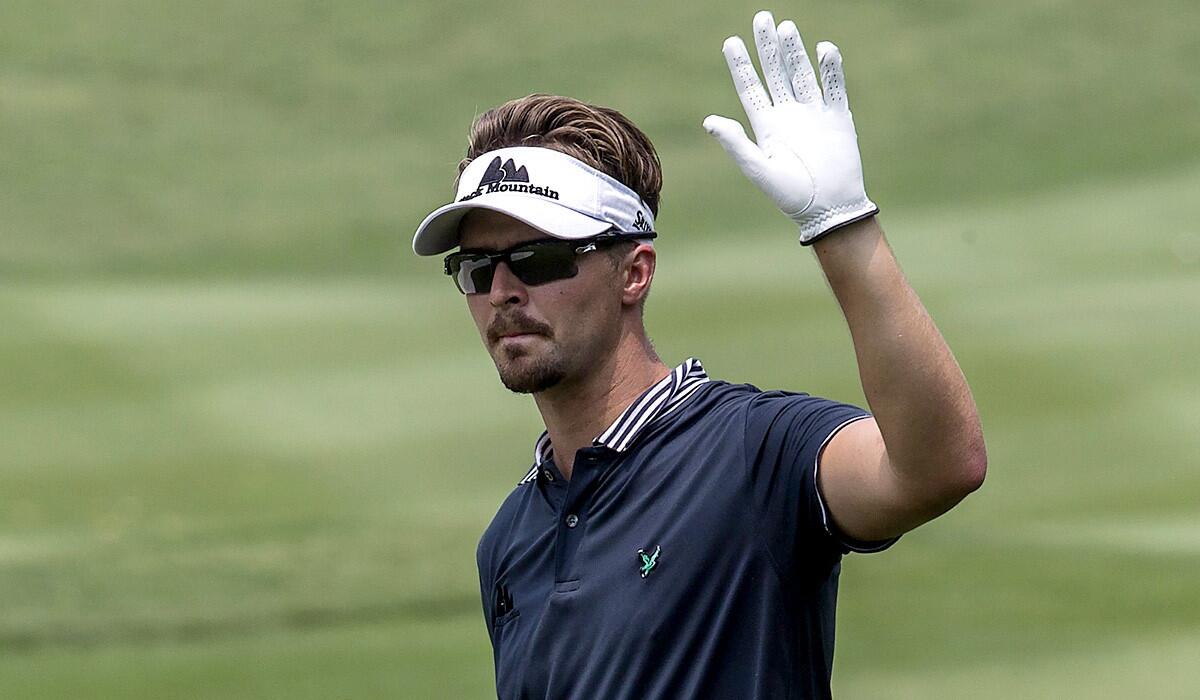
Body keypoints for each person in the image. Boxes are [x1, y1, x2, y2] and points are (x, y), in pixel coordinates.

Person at [411, 9, 985, 699]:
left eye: (538, 259)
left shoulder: (753, 453)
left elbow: (938, 468)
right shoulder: (508, 541)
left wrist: (842, 227)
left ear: (633, 272)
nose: (502, 291)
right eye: (476, 268)